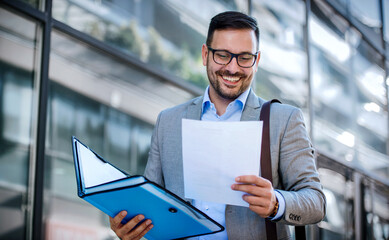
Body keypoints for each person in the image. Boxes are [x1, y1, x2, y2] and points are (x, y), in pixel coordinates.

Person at [109, 11, 326, 240]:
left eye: (244, 58)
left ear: (257, 61)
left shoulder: (284, 120)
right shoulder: (168, 121)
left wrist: (276, 203)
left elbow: (316, 202)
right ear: (205, 55)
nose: (232, 68)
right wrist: (128, 222)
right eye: (222, 55)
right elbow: (152, 202)